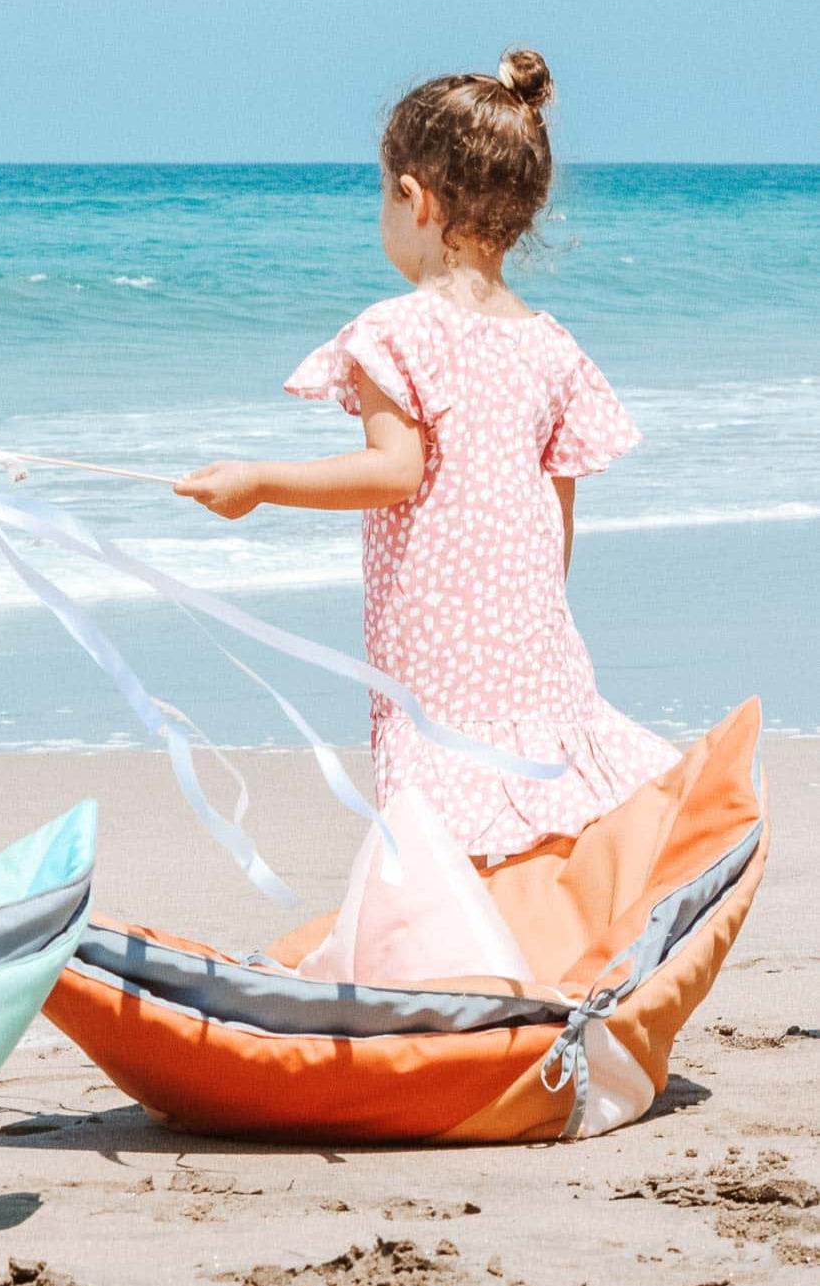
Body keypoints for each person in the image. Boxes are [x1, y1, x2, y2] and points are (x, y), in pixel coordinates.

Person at [175, 47, 680, 869]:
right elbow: (556, 518)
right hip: (534, 645)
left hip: (437, 651)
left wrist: (259, 481)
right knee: (539, 818)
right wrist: (529, 619)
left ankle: (464, 938)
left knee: (447, 827)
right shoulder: (552, 348)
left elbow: (393, 472)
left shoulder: (397, 332)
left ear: (413, 199)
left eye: (383, 195)